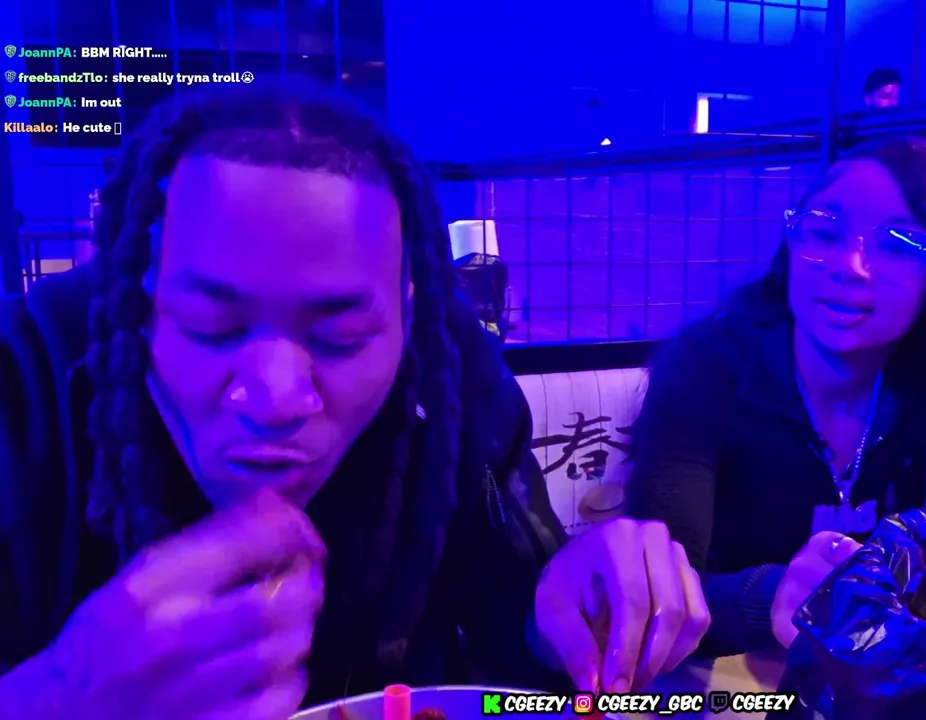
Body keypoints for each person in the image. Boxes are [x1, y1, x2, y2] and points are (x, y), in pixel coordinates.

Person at [0, 79, 709, 718]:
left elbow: (510, 621)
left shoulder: (449, 373)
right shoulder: (23, 384)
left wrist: (567, 611)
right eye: (211, 326)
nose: (275, 400)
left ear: (406, 313)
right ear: (142, 303)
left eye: (339, 337)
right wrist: (56, 696)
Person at [625, 137, 926, 656]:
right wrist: (775, 596)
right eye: (825, 231)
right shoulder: (706, 367)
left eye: (896, 244)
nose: (850, 265)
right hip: (724, 673)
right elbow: (657, 594)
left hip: (865, 671)